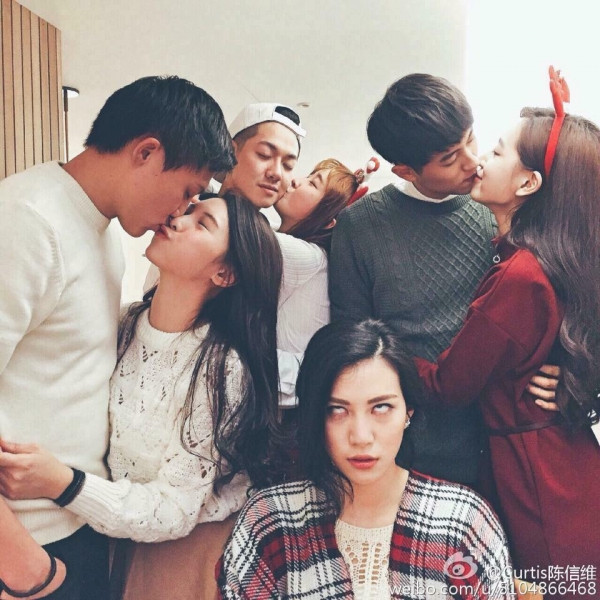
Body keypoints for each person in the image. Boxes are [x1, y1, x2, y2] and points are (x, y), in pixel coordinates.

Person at [0, 76, 234, 598]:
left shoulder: (99, 228)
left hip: (77, 526)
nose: (181, 210)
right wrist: (25, 569)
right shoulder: (28, 220)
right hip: (28, 545)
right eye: (187, 191)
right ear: (147, 152)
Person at [0, 192, 283, 599]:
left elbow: (175, 510)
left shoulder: (221, 368)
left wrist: (60, 481)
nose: (178, 219)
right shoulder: (126, 323)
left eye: (202, 223)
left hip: (184, 556)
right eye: (189, 210)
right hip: (108, 539)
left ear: (224, 273)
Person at [329, 73, 555, 487]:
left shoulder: (499, 205)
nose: (473, 162)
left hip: (503, 443)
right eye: (450, 159)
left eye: (471, 140)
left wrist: (570, 377)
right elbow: (352, 340)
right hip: (412, 450)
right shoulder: (359, 226)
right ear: (406, 170)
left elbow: (554, 304)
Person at [415, 95, 600, 597]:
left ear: (527, 184)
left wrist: (382, 350)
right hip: (561, 468)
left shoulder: (522, 276)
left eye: (496, 152)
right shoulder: (549, 259)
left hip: (539, 484)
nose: (480, 161)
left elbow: (448, 386)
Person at [218, 319, 514, 599]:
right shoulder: (270, 521)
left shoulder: (463, 521)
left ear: (408, 412)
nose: (361, 436)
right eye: (337, 410)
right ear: (314, 417)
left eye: (381, 407)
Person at [272, 158, 364, 406]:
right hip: (278, 384)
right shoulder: (288, 242)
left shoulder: (308, 256)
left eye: (313, 183)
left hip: (288, 392)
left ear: (328, 221)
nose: (294, 181)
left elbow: (236, 226)